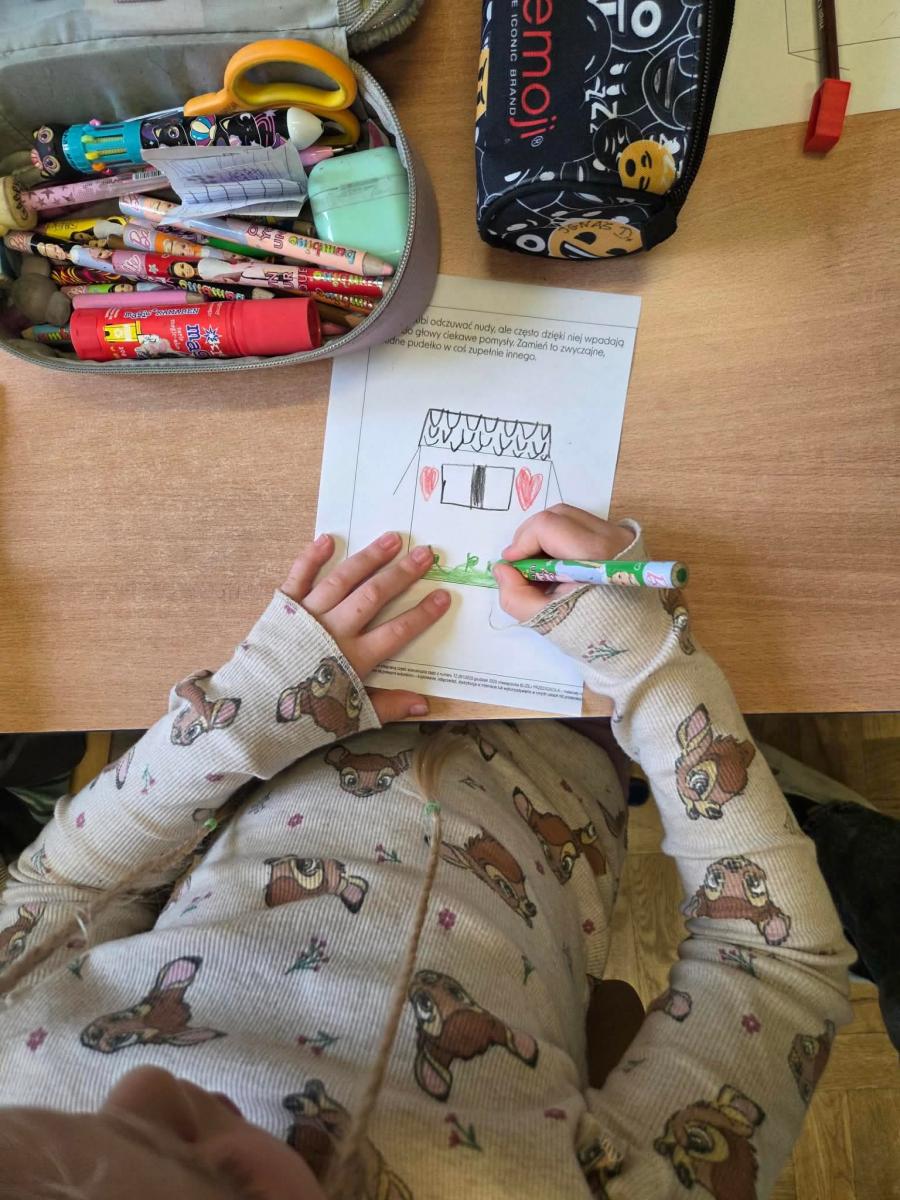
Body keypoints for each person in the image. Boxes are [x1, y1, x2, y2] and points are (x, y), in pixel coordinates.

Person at [0, 507, 852, 1200]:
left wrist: (243, 718)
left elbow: (57, 885)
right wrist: (645, 666)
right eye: (187, 1149)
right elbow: (777, 964)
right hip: (568, 740)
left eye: (89, 1114)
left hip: (305, 708)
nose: (144, 1082)